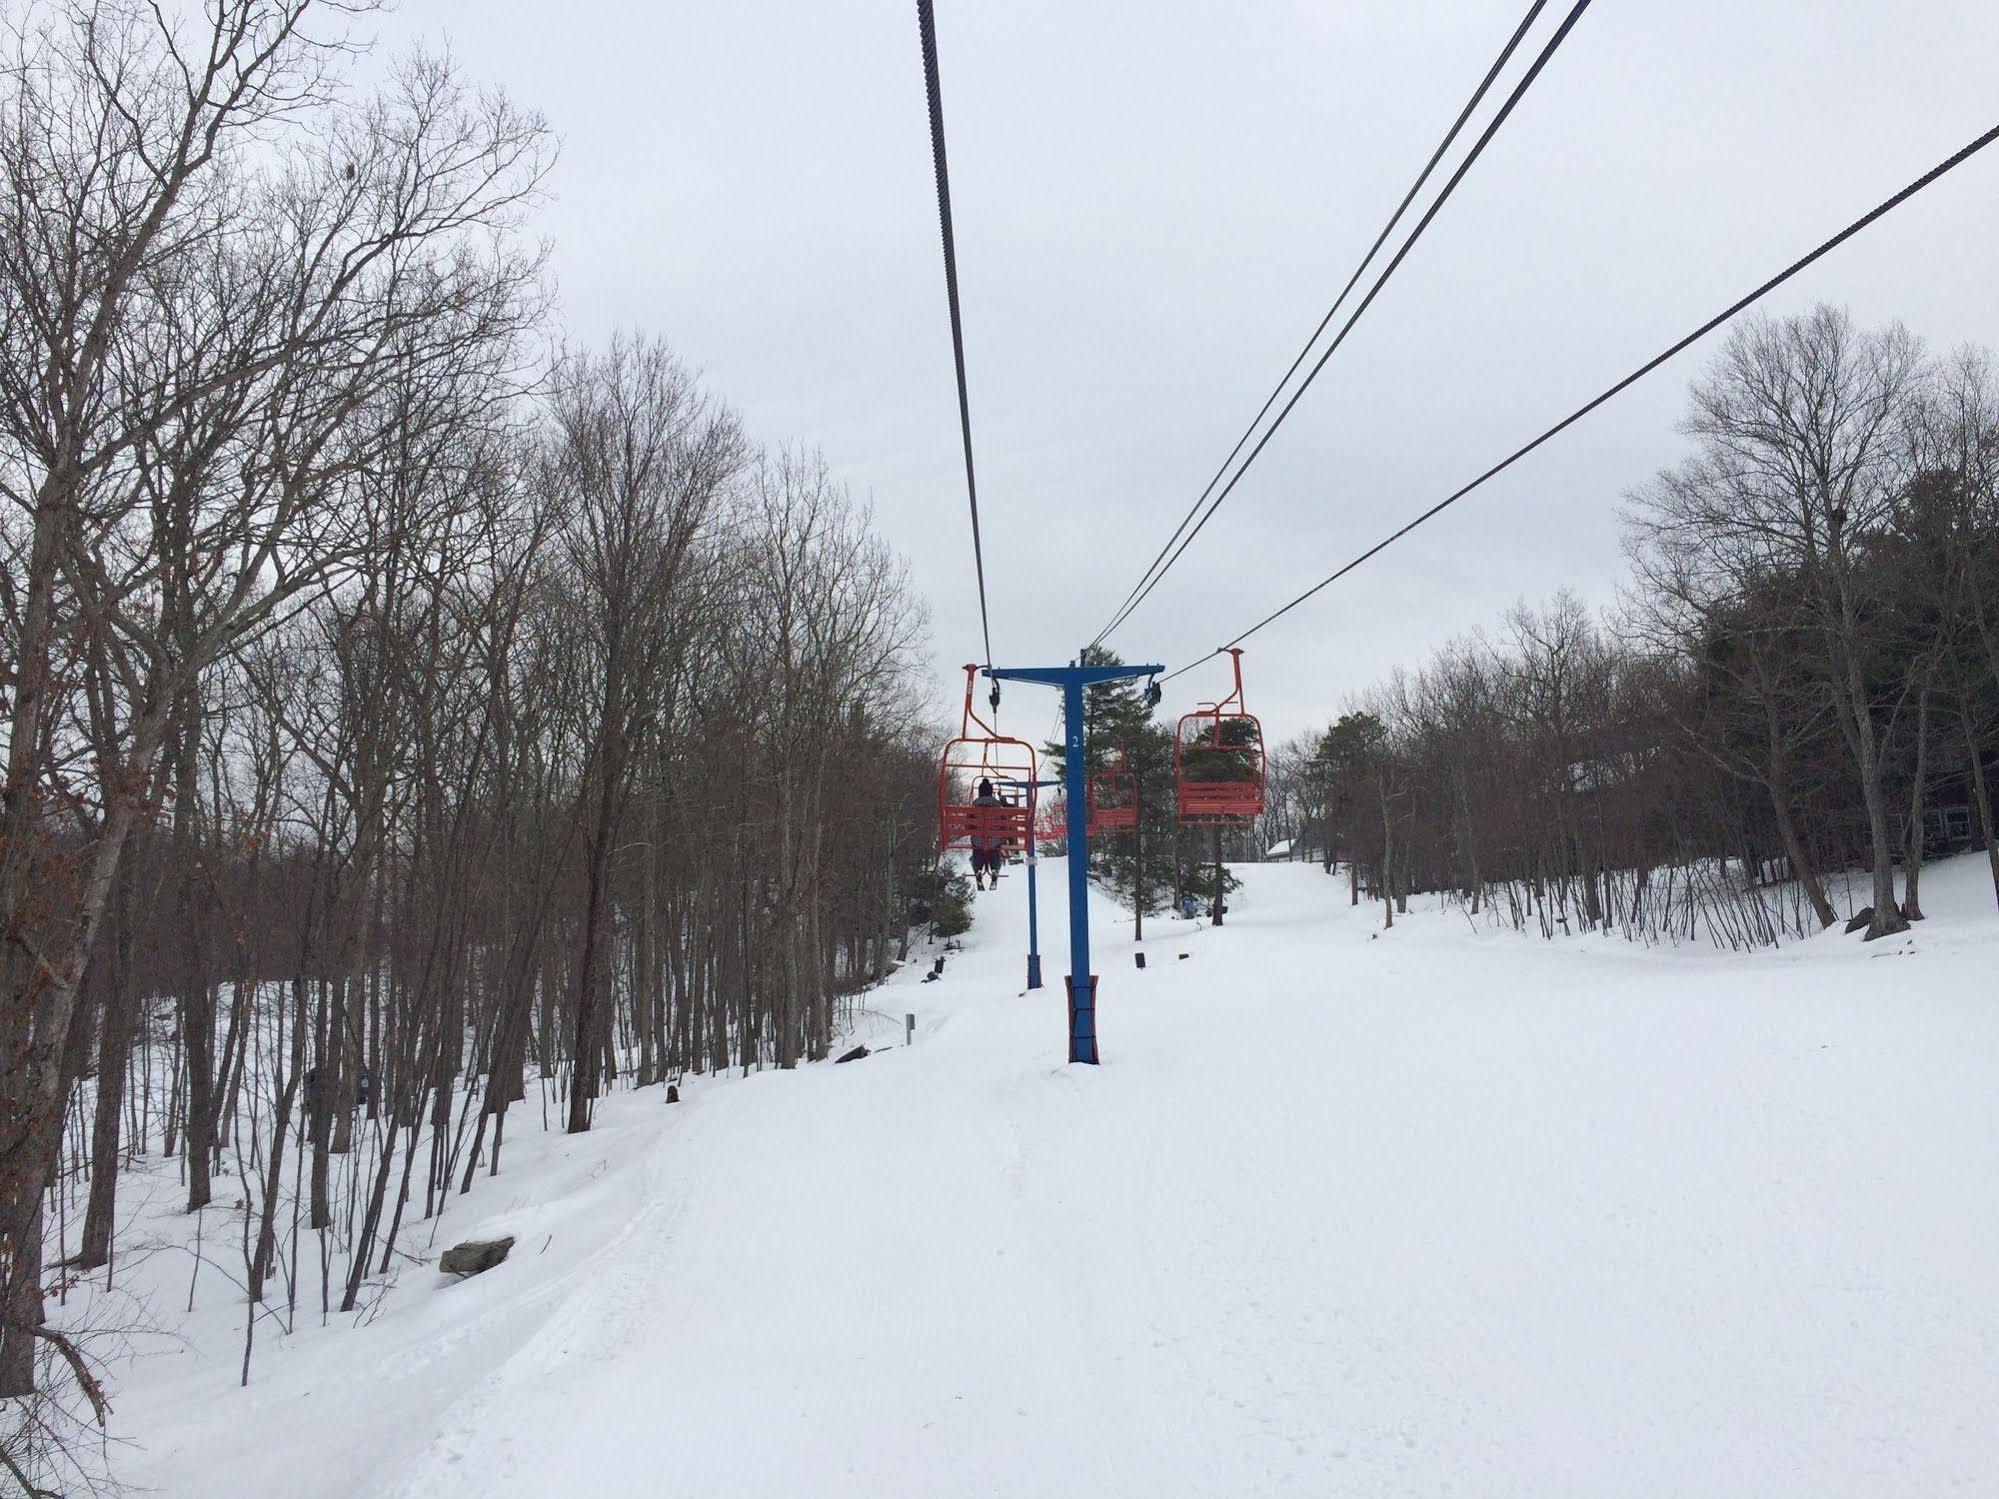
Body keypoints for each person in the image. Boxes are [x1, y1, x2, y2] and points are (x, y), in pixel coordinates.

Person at [969, 778, 1008, 890]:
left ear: (980, 792)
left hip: (978, 840)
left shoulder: (974, 805)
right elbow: (1005, 824)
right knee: (995, 847)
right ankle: (995, 868)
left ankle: (978, 869)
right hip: (994, 840)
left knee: (977, 846)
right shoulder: (997, 805)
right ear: (991, 792)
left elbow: (968, 825)